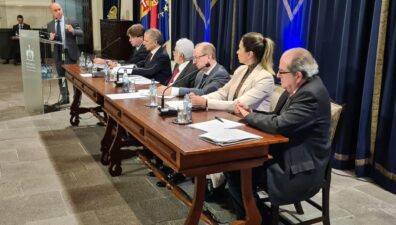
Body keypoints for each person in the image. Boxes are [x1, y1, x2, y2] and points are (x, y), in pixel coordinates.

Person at [228, 47, 331, 220]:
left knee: (237, 171)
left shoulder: (311, 94)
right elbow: (279, 117)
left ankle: (257, 220)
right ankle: (253, 217)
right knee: (235, 165)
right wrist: (252, 112)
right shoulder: (300, 86)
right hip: (287, 153)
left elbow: (279, 125)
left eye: (282, 71)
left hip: (299, 167)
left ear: (297, 75)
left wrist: (248, 116)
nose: (277, 75)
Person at [190, 32, 276, 201]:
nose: (236, 52)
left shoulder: (265, 77)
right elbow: (223, 93)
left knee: (210, 142)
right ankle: (213, 183)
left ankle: (217, 185)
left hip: (252, 128)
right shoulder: (241, 69)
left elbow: (238, 104)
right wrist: (201, 99)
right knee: (197, 134)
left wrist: (205, 103)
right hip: (231, 122)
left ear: (249, 53)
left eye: (239, 48)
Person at [158, 42, 230, 97]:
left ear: (209, 57)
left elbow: (203, 92)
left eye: (196, 57)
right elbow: (194, 94)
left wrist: (173, 91)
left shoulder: (221, 74)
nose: (194, 62)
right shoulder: (200, 73)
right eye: (193, 58)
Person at [47, 2, 83, 105]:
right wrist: (51, 38)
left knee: (75, 79)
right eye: (55, 10)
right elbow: (49, 39)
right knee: (61, 77)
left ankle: (77, 99)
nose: (58, 12)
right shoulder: (50, 25)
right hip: (58, 54)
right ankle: (65, 97)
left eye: (59, 9)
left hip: (70, 54)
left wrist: (73, 31)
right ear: (52, 12)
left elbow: (81, 33)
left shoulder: (71, 21)